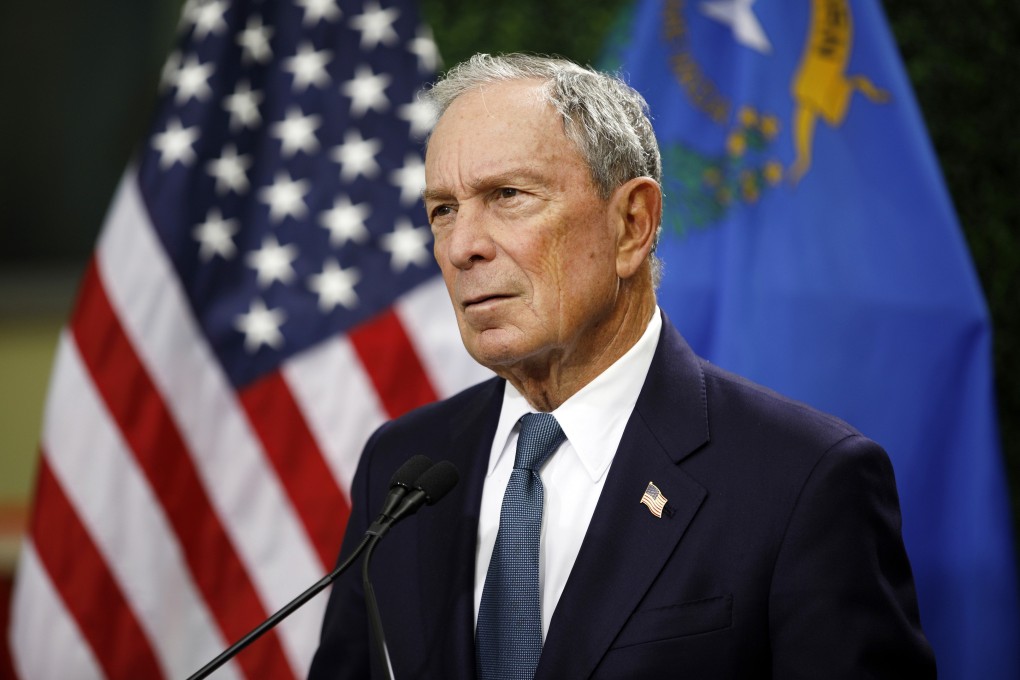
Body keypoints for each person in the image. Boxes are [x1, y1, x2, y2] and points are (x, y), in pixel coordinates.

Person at [308, 53, 935, 679]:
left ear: (632, 225)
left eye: (508, 195)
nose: (462, 246)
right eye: (443, 210)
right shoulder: (401, 470)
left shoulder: (803, 480)